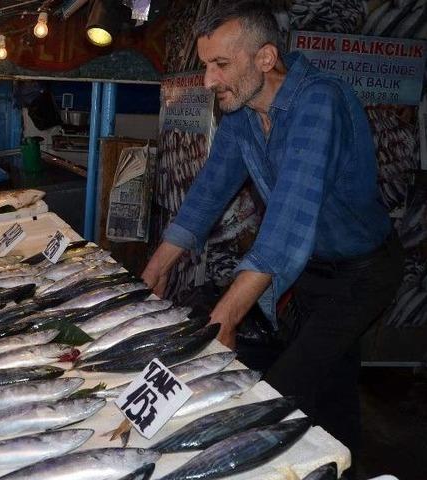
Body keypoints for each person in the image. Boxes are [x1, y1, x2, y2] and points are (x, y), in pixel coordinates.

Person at [140, 1, 402, 470]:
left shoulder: (319, 102)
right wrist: (155, 270)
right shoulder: (242, 114)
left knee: (281, 390)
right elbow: (207, 194)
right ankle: (342, 464)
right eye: (206, 65)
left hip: (363, 271)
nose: (208, 81)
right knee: (331, 380)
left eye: (221, 64)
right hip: (313, 269)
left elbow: (285, 223)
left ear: (265, 57)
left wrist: (226, 318)